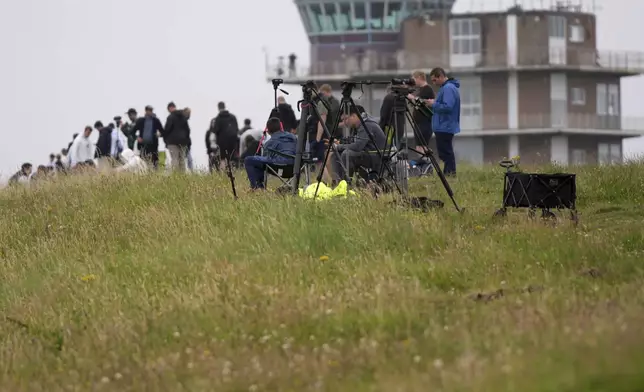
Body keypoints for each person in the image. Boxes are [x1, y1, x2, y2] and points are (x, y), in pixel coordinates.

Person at [330, 105, 386, 185]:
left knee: (347, 154)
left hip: (375, 155)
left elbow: (358, 146)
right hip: (366, 153)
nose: (344, 122)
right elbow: (354, 142)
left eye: (346, 119)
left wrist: (338, 147)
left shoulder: (366, 124)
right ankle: (337, 183)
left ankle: (346, 184)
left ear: (354, 116)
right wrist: (339, 145)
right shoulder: (357, 126)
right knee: (335, 155)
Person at [244, 117, 297, 190]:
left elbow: (265, 160)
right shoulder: (294, 137)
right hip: (295, 168)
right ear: (281, 127)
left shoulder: (269, 143)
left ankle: (257, 187)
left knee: (249, 160)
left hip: (279, 168)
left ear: (268, 131)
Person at [428, 67, 460, 176]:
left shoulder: (448, 88)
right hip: (444, 125)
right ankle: (449, 173)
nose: (433, 83)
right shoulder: (446, 88)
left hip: (445, 125)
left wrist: (433, 104)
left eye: (434, 80)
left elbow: (448, 106)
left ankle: (450, 173)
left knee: (446, 152)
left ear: (441, 76)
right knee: (445, 152)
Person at [407, 71, 436, 155]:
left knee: (421, 147)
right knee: (419, 147)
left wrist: (410, 97)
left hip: (424, 122)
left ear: (419, 77)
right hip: (419, 122)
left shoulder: (427, 89)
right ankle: (423, 164)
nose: (413, 82)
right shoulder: (421, 90)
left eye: (414, 79)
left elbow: (419, 102)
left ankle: (425, 164)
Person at [163, 102, 191, 172]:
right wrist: (187, 140)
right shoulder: (183, 117)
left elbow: (167, 129)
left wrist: (165, 140)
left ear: (170, 108)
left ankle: (175, 175)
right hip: (183, 141)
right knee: (182, 159)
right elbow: (187, 130)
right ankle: (182, 176)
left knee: (174, 159)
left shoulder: (170, 117)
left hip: (172, 142)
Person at [209, 101, 239, 168]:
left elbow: (215, 131)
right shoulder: (233, 117)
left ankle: (223, 175)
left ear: (218, 108)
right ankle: (231, 174)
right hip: (233, 141)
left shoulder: (218, 118)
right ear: (225, 106)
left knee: (222, 159)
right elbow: (237, 129)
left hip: (222, 142)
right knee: (231, 158)